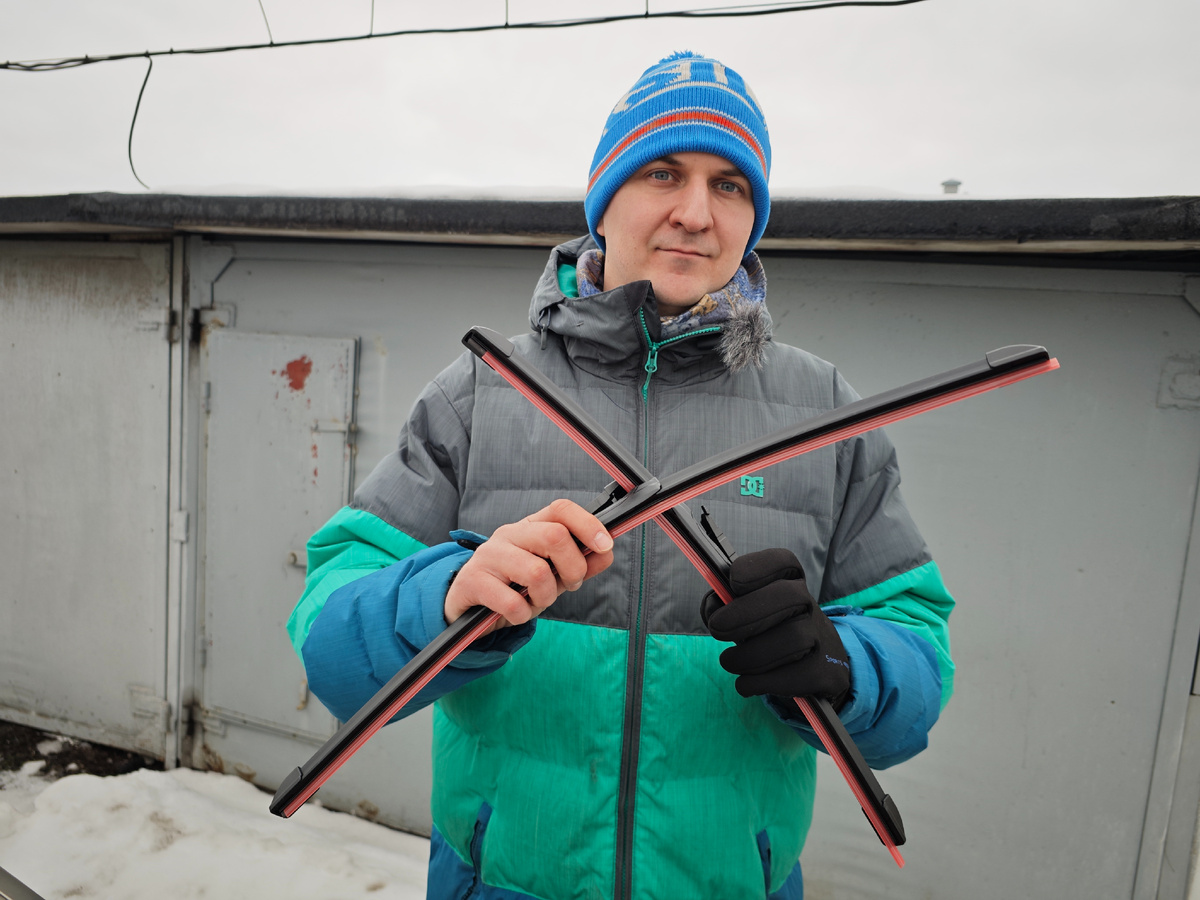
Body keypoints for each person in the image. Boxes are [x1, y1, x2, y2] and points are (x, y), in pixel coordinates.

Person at [287, 51, 954, 900]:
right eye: (662, 172)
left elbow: (916, 655)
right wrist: (444, 596)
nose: (695, 213)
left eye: (729, 186)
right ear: (603, 198)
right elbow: (330, 639)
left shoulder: (822, 412)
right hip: (498, 882)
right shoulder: (482, 394)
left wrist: (844, 663)